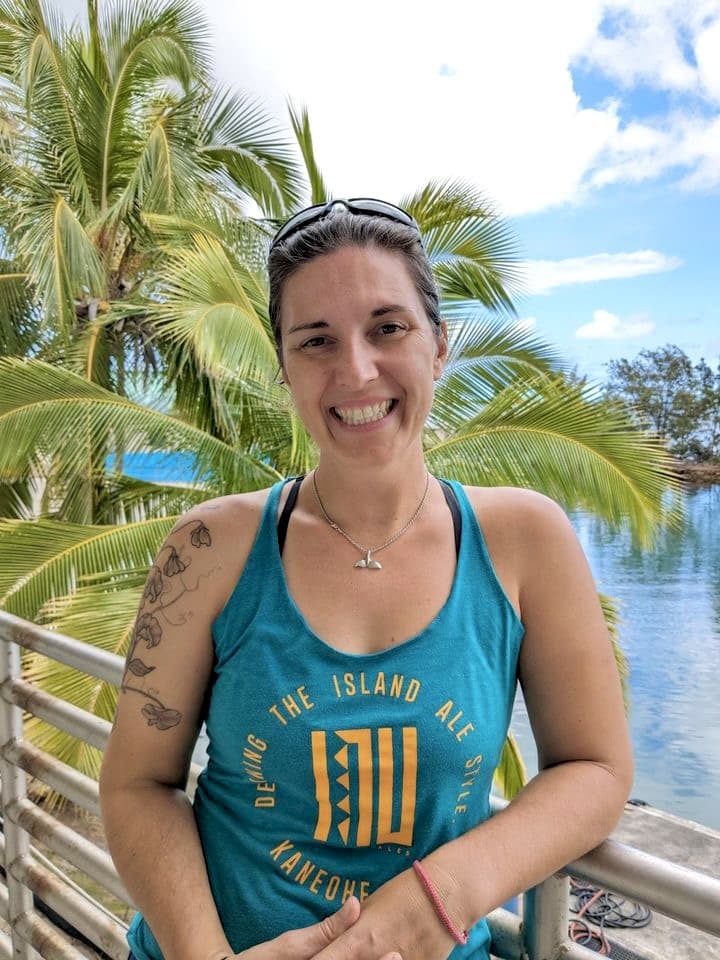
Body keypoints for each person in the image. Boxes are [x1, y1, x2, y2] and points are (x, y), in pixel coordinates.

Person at [99, 198, 634, 960]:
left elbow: (597, 767)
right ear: (284, 367)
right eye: (316, 340)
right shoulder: (211, 547)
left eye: (389, 328)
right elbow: (137, 785)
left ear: (439, 346)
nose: (356, 370)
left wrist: (439, 895)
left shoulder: (525, 540)